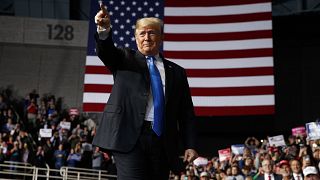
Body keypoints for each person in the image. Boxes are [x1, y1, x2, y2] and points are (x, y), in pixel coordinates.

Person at [92, 3, 198, 180]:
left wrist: (191, 144)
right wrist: (103, 29)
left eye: (151, 32)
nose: (146, 37)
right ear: (135, 37)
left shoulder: (177, 72)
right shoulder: (124, 59)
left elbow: (186, 112)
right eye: (142, 33)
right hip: (129, 137)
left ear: (161, 37)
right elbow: (106, 51)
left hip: (162, 141)